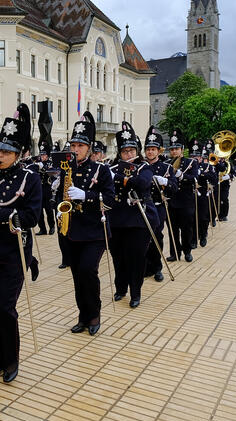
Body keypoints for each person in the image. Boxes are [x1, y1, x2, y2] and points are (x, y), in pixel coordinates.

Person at [0, 104, 41, 382]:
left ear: (20, 154)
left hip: (14, 254)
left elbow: (31, 216)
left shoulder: (30, 179)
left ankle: (12, 360)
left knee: (4, 307)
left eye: (6, 152)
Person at [60, 112, 113, 335]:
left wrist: (87, 196)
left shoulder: (101, 170)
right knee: (77, 275)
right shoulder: (67, 170)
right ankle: (82, 315)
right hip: (72, 231)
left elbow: (110, 200)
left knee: (88, 270)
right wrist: (58, 210)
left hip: (94, 232)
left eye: (80, 145)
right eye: (73, 144)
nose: (75, 149)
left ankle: (94, 314)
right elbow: (59, 198)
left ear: (89, 148)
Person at [105, 121, 154, 307]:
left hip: (137, 221)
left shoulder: (144, 167)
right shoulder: (110, 167)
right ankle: (120, 289)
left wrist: (119, 179)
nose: (129, 155)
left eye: (132, 151)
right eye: (125, 152)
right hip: (116, 220)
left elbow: (142, 184)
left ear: (137, 151)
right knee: (118, 257)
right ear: (120, 153)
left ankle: (136, 293)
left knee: (136, 259)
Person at [141, 127, 177, 282]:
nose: (150, 152)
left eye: (153, 149)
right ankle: (146, 267)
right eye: (148, 149)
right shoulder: (140, 166)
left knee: (156, 237)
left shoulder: (166, 168)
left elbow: (174, 188)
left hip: (157, 206)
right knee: (143, 238)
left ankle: (157, 268)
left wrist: (166, 181)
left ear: (159, 151)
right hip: (141, 207)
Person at [165, 129, 197, 263]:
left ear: (182, 150)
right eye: (172, 149)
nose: (174, 151)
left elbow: (194, 179)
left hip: (185, 201)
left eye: (177, 148)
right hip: (171, 201)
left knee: (186, 229)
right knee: (172, 229)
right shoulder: (166, 163)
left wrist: (181, 175)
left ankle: (187, 251)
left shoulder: (191, 163)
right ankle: (174, 253)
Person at [35, 140, 56, 235]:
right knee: (39, 212)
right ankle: (42, 229)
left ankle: (52, 227)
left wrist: (43, 168)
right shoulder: (38, 163)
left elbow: (51, 173)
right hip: (39, 190)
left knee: (49, 211)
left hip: (47, 190)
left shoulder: (50, 164)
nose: (42, 157)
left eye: (43, 155)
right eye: (41, 155)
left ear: (47, 156)